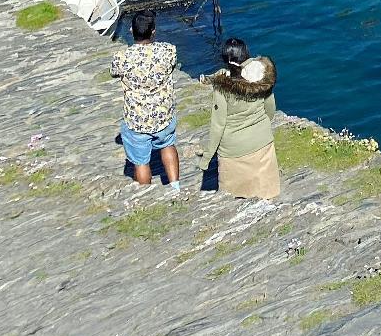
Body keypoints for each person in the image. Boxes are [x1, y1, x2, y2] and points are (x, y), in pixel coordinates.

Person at [200, 38, 279, 200]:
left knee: (235, 199)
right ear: (246, 54)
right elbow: (270, 109)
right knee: (267, 195)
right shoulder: (262, 79)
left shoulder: (222, 88)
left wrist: (206, 158)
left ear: (226, 60)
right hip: (263, 143)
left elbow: (218, 125)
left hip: (234, 152)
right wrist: (260, 127)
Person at [111, 10, 181, 188]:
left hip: (137, 120)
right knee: (168, 145)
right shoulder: (168, 51)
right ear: (153, 31)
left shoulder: (122, 58)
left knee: (141, 162)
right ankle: (175, 187)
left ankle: (146, 194)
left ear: (131, 31)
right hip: (163, 115)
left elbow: (113, 72)